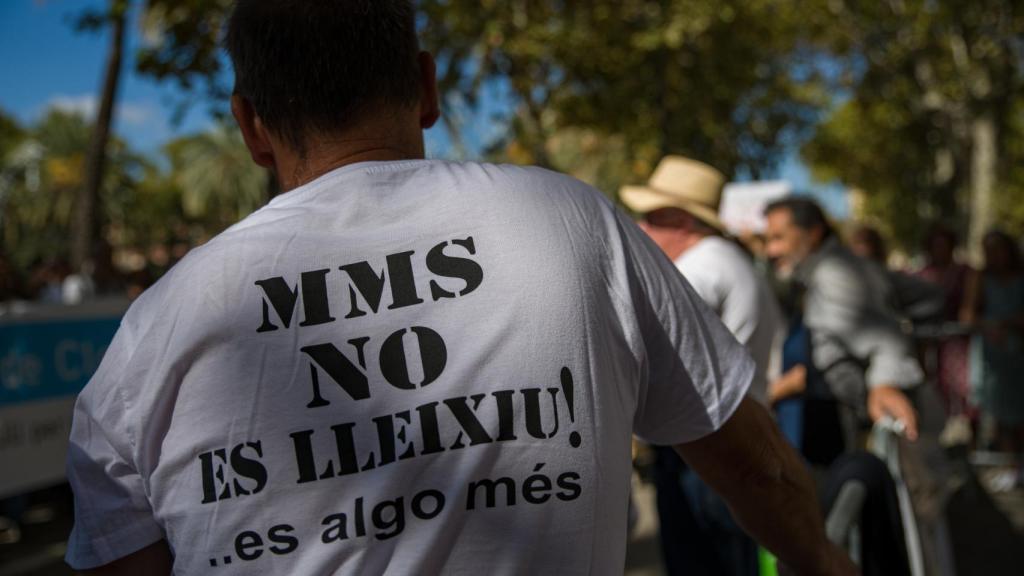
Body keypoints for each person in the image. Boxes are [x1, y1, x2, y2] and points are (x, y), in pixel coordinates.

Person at [64, 2, 854, 574]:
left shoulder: (156, 326)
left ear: (251, 128)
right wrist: (822, 561)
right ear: (427, 86)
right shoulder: (569, 223)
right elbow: (752, 463)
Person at [621, 156, 782, 575]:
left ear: (684, 224)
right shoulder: (729, 261)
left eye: (652, 218)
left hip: (705, 448)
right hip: (731, 436)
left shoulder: (698, 269)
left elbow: (645, 345)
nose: (641, 229)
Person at [763, 198, 921, 445]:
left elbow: (885, 340)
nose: (770, 251)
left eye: (778, 238)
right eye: (767, 240)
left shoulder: (834, 274)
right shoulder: (806, 277)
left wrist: (885, 384)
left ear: (813, 234)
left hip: (840, 427)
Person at [962, 230, 1024, 489]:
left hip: (1018, 353)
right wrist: (991, 326)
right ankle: (1010, 466)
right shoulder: (981, 278)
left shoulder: (1020, 276)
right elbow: (967, 314)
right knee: (1000, 412)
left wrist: (1008, 323)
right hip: (993, 354)